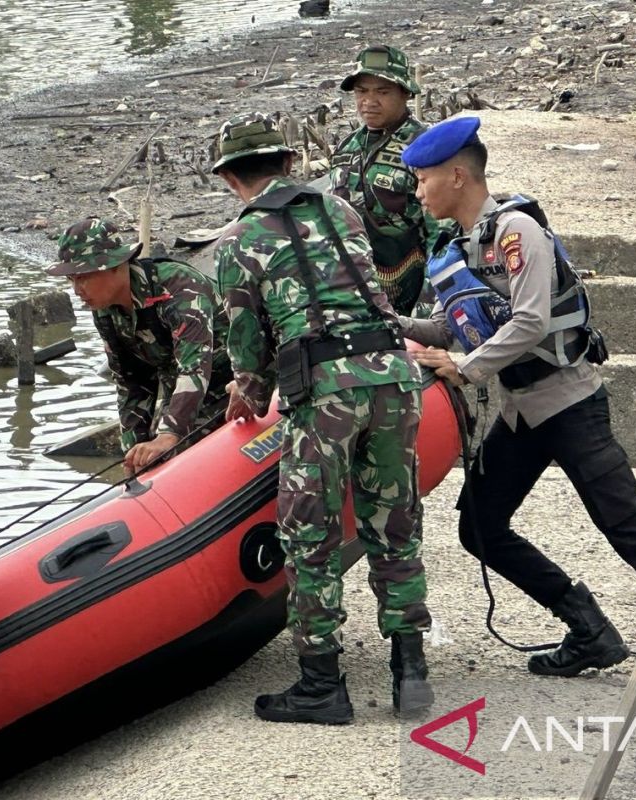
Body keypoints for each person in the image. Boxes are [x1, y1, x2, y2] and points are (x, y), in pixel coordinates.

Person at [397, 115, 636, 691]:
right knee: (479, 526)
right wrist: (389, 325)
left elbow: (532, 321)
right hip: (519, 410)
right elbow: (446, 324)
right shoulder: (454, 247)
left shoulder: (516, 232)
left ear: (456, 176)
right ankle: (587, 629)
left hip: (569, 403)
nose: (417, 192)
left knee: (625, 526)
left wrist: (465, 368)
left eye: (422, 180)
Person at [211, 111, 431, 723]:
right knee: (395, 524)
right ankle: (411, 674)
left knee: (309, 536)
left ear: (231, 179)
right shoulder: (342, 211)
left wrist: (249, 394)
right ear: (288, 164)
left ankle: (320, 684)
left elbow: (246, 339)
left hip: (326, 392)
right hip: (393, 376)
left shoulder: (239, 241)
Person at [47, 218, 232, 474]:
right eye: (71, 280)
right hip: (178, 392)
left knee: (176, 453)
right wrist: (133, 451)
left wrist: (169, 434)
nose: (77, 290)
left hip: (233, 382)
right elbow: (131, 383)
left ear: (115, 266)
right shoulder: (104, 310)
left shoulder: (177, 286)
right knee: (151, 463)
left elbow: (194, 367)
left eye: (84, 278)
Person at [328, 45, 444, 315]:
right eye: (361, 91)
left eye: (382, 92)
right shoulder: (346, 148)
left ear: (405, 93)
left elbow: (441, 236)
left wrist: (426, 312)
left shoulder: (425, 148)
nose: (369, 101)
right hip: (353, 290)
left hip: (408, 288)